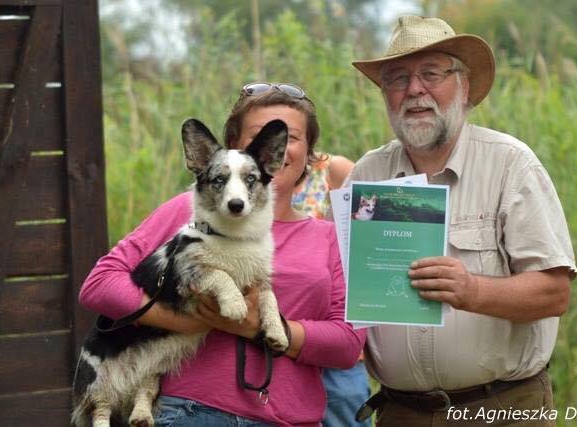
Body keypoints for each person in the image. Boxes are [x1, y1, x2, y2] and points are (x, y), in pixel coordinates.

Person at [78, 82, 366, 426]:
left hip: (290, 418)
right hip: (191, 414)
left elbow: (348, 344)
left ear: (310, 152)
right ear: (232, 147)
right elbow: (99, 285)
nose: (277, 147)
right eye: (256, 135)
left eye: (292, 137)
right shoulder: (185, 212)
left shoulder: (330, 238)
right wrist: (188, 322)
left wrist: (260, 328)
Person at [347, 16, 577, 426]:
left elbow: (554, 293)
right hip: (402, 413)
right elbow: (338, 286)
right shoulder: (367, 174)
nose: (414, 90)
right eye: (398, 78)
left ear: (464, 86)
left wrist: (470, 289)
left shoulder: (511, 165)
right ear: (385, 95)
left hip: (502, 410)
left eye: (431, 74)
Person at [292, 155, 372, 427]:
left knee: (345, 403)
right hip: (269, 341)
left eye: (293, 134)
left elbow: (371, 246)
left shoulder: (331, 171)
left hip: (333, 342)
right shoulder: (239, 181)